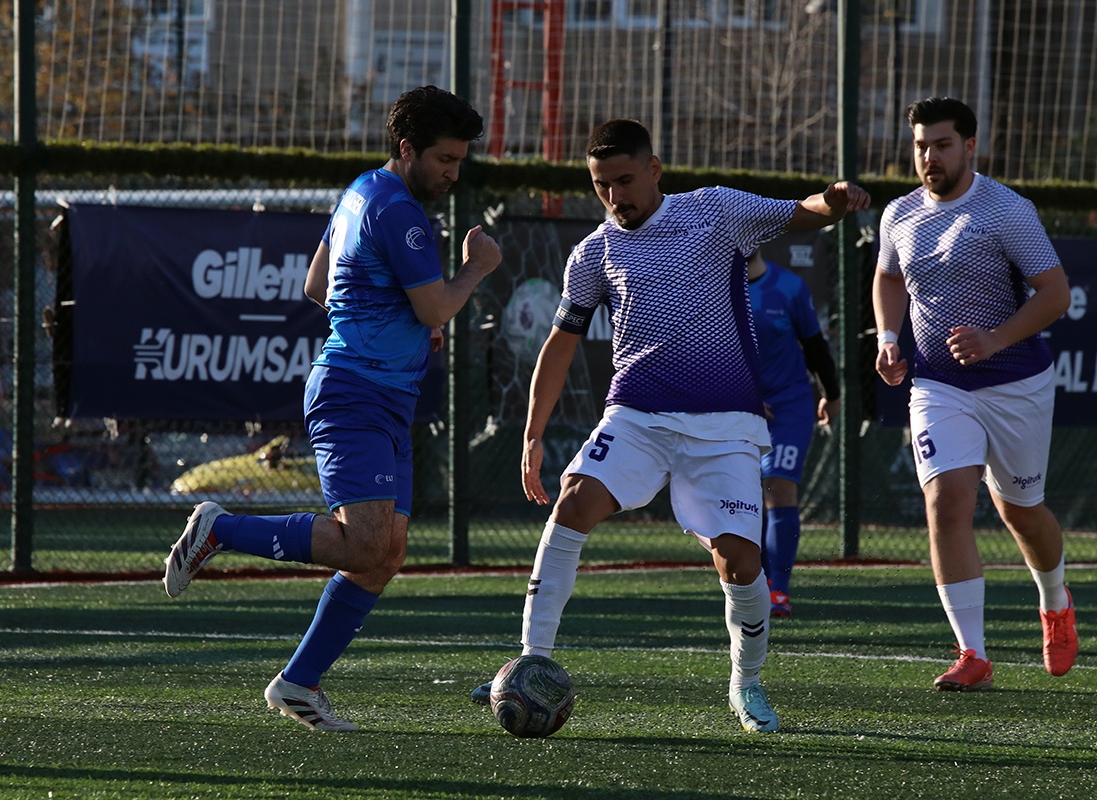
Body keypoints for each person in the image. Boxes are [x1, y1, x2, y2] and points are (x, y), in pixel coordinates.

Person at [470, 118, 869, 733]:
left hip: (726, 426)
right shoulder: (594, 252)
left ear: (654, 170)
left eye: (625, 180)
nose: (614, 196)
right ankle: (531, 661)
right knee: (572, 504)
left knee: (740, 564)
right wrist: (532, 433)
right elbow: (560, 343)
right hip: (637, 417)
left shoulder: (715, 211)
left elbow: (803, 212)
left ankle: (746, 683)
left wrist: (835, 200)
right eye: (601, 185)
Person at [161, 85, 502, 731]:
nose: (454, 174)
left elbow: (318, 284)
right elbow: (436, 305)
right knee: (364, 544)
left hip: (380, 396)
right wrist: (476, 269)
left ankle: (299, 682)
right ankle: (220, 529)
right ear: (408, 149)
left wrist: (398, 325)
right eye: (445, 160)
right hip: (357, 393)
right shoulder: (400, 211)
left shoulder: (360, 191)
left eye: (460, 161)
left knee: (386, 553)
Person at [872, 96, 1078, 691]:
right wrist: (888, 338)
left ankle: (1055, 600)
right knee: (946, 503)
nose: (928, 157)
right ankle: (973, 654)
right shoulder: (898, 214)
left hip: (1016, 385)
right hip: (938, 384)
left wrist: (994, 339)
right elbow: (887, 276)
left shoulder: (1006, 210)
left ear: (969, 146)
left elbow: (1056, 293)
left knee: (1021, 512)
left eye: (941, 144)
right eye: (920, 146)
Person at [746, 248, 839, 618]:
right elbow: (708, 354)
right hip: (737, 408)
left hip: (789, 406)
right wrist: (743, 396)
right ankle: (754, 585)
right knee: (742, 496)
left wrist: (832, 394)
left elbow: (814, 344)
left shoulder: (789, 287)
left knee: (778, 487)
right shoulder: (715, 288)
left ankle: (778, 591)